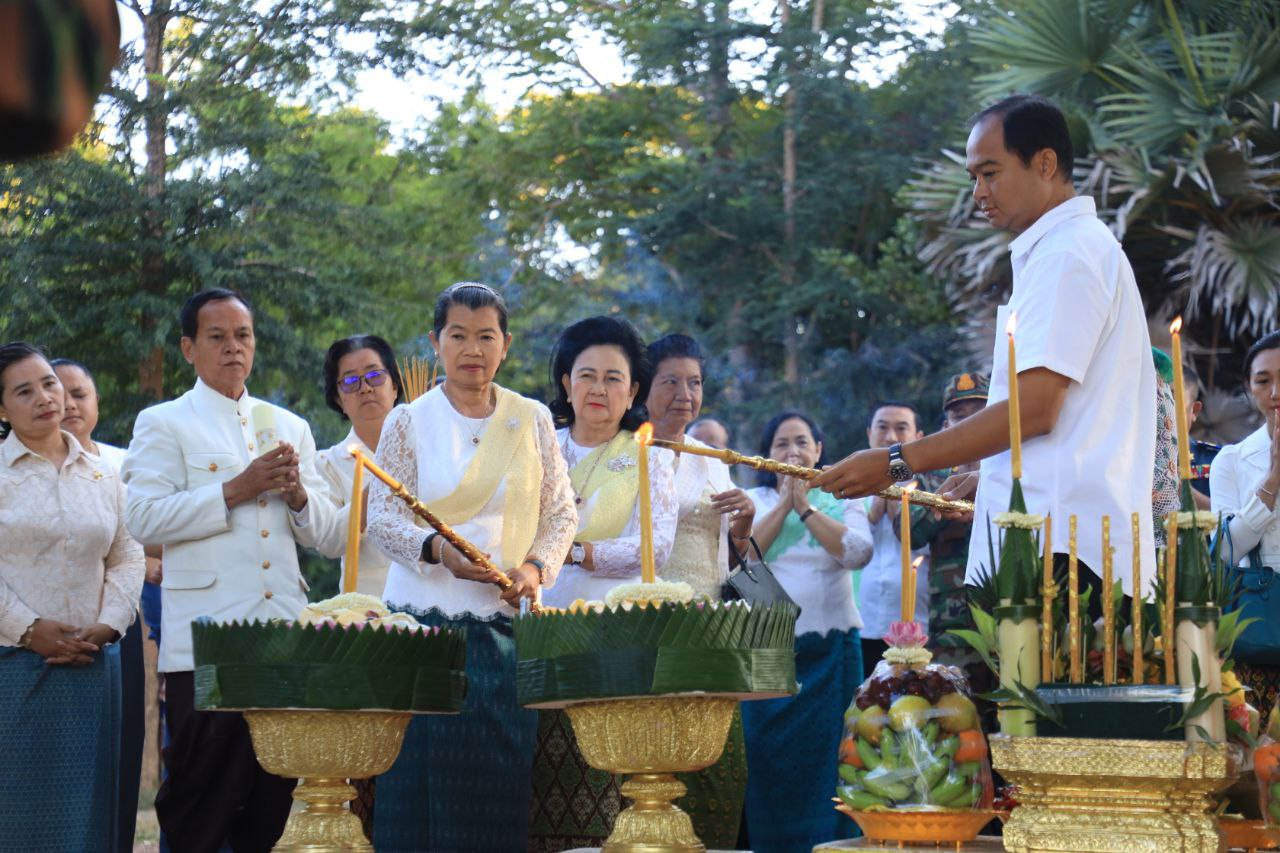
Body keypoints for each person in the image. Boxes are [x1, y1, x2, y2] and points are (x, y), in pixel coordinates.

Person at [812, 94, 1157, 612]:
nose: (979, 192)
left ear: (1045, 163)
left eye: (990, 173)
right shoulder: (1068, 247)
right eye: (973, 177)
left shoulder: (1068, 252)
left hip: (1060, 549)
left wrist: (897, 462)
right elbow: (1064, 420)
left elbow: (1037, 409)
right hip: (1055, 538)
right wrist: (990, 476)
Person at [122, 288, 341, 852]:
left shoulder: (288, 424)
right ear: (188, 348)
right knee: (200, 805)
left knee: (274, 808)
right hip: (206, 643)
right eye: (216, 337)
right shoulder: (164, 422)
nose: (232, 348)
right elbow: (142, 520)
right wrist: (235, 489)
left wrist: (296, 497)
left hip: (283, 637)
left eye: (242, 336)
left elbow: (327, 535)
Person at [365, 283, 576, 852]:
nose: (472, 349)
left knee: (496, 788)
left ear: (505, 345)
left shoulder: (530, 419)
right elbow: (381, 520)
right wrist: (439, 551)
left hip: (504, 632)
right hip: (420, 635)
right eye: (458, 335)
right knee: (416, 788)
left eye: (486, 336)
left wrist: (534, 570)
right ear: (436, 343)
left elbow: (560, 514)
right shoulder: (408, 421)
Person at [530, 315, 677, 852]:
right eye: (586, 374)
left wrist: (573, 551)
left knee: (606, 779)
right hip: (540, 633)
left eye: (613, 378)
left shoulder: (651, 459)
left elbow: (653, 549)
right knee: (539, 774)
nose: (598, 388)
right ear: (566, 382)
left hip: (615, 643)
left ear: (633, 390)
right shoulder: (537, 449)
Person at [0, 341, 144, 850]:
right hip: (14, 666)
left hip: (94, 664)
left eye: (49, 383)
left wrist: (109, 624)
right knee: (15, 808)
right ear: (2, 409)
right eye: (24, 391)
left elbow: (127, 556)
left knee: (92, 811)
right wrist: (28, 629)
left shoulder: (106, 474)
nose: (45, 397)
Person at [742, 411, 873, 853]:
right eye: (781, 444)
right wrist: (783, 504)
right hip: (768, 657)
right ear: (766, 454)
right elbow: (745, 559)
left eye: (802, 442)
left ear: (819, 450)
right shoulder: (752, 500)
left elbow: (856, 552)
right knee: (770, 765)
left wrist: (806, 506)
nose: (793, 452)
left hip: (833, 654)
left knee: (835, 762)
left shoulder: (845, 497)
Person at [645, 333, 754, 849]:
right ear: (644, 386)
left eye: (694, 382)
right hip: (644, 628)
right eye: (670, 381)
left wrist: (742, 527)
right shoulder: (626, 449)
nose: (684, 394)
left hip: (710, 629)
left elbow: (735, 558)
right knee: (650, 760)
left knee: (718, 767)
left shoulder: (712, 456)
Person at [50, 357, 147, 852]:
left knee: (117, 747)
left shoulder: (121, 464)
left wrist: (112, 617)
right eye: (56, 392)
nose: (67, 405)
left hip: (115, 623)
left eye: (79, 394)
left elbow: (138, 546)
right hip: (34, 631)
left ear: (97, 403)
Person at [1210, 330, 1280, 710]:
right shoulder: (1232, 461)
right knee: (1258, 760)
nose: (1275, 393)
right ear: (1249, 388)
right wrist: (1271, 480)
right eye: (1263, 381)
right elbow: (1223, 550)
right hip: (1259, 630)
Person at [314, 334, 405, 598]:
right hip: (371, 611)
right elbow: (329, 541)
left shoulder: (430, 448)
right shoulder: (328, 463)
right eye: (351, 381)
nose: (365, 388)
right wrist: (380, 482)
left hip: (436, 603)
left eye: (375, 376)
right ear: (339, 400)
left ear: (395, 387)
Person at [912, 374, 988, 671]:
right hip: (952, 620)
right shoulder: (930, 477)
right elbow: (909, 532)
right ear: (946, 427)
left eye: (980, 415)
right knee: (956, 710)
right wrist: (945, 503)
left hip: (1007, 610)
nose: (970, 423)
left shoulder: (1013, 471)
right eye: (960, 417)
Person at [857, 401, 930, 665]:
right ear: (869, 434)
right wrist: (873, 517)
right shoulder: (850, 488)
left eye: (901, 428)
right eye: (882, 428)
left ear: (918, 438)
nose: (890, 437)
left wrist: (900, 517)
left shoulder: (931, 488)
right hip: (863, 624)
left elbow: (934, 545)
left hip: (918, 624)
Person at [1184, 363, 1219, 510]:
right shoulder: (1123, 463)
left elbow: (1234, 521)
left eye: (1172, 398)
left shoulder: (1217, 460)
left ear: (1195, 411)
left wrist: (1181, 492)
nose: (1160, 409)